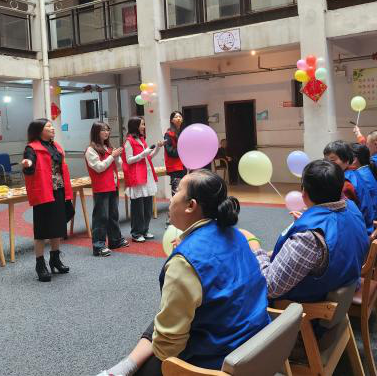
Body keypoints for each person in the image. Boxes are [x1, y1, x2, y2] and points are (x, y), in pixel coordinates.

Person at [98, 170, 270, 376]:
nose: (171, 199)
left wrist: (186, 256)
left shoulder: (186, 262)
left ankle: (125, 368)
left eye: (176, 191)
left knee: (161, 332)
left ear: (191, 206)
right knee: (167, 316)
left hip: (218, 362)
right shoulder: (236, 234)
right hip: (256, 344)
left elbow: (167, 349)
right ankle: (124, 366)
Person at [243, 160, 368, 302]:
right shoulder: (352, 208)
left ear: (304, 193)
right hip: (343, 283)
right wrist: (309, 220)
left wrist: (255, 246)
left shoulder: (309, 237)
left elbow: (269, 287)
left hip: (308, 306)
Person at [21, 119, 73, 282]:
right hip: (43, 193)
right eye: (48, 126)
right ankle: (40, 265)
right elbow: (30, 163)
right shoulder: (31, 148)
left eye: (52, 126)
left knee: (57, 227)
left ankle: (55, 260)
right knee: (42, 231)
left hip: (59, 191)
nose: (52, 128)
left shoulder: (55, 146)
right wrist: (28, 163)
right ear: (39, 131)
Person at [323, 141, 377, 234]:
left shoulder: (346, 184)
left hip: (360, 231)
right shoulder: (355, 173)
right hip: (366, 225)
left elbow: (340, 216)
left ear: (347, 160)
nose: (328, 164)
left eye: (332, 160)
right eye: (325, 160)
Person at [85, 121, 128, 257]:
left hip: (113, 185)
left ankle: (115, 240)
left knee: (113, 215)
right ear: (96, 132)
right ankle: (98, 246)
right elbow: (99, 167)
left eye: (108, 130)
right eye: (103, 130)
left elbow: (118, 166)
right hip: (101, 187)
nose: (106, 132)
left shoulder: (109, 147)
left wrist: (117, 156)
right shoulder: (91, 149)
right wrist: (112, 156)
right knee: (101, 217)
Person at [122, 117, 164, 243]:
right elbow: (129, 160)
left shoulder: (141, 139)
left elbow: (148, 156)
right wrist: (142, 154)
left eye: (144, 124)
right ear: (135, 126)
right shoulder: (129, 141)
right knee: (138, 208)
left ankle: (145, 230)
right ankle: (136, 233)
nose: (144, 127)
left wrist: (157, 147)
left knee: (147, 206)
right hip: (137, 177)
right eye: (142, 124)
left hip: (147, 175)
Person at [164, 111, 186, 197]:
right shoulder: (168, 134)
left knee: (183, 191)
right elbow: (170, 151)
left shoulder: (184, 132)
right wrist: (182, 150)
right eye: (176, 117)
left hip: (183, 165)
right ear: (171, 120)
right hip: (174, 167)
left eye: (180, 117)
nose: (178, 118)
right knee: (176, 191)